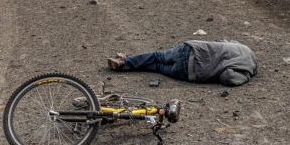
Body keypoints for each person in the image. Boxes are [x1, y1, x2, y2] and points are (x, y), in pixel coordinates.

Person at [107, 40, 258, 86]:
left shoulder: (242, 46)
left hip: (191, 49)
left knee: (156, 56)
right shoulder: (247, 68)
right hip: (190, 71)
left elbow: (222, 42)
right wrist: (246, 77)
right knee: (158, 67)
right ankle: (126, 62)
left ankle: (125, 62)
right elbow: (228, 78)